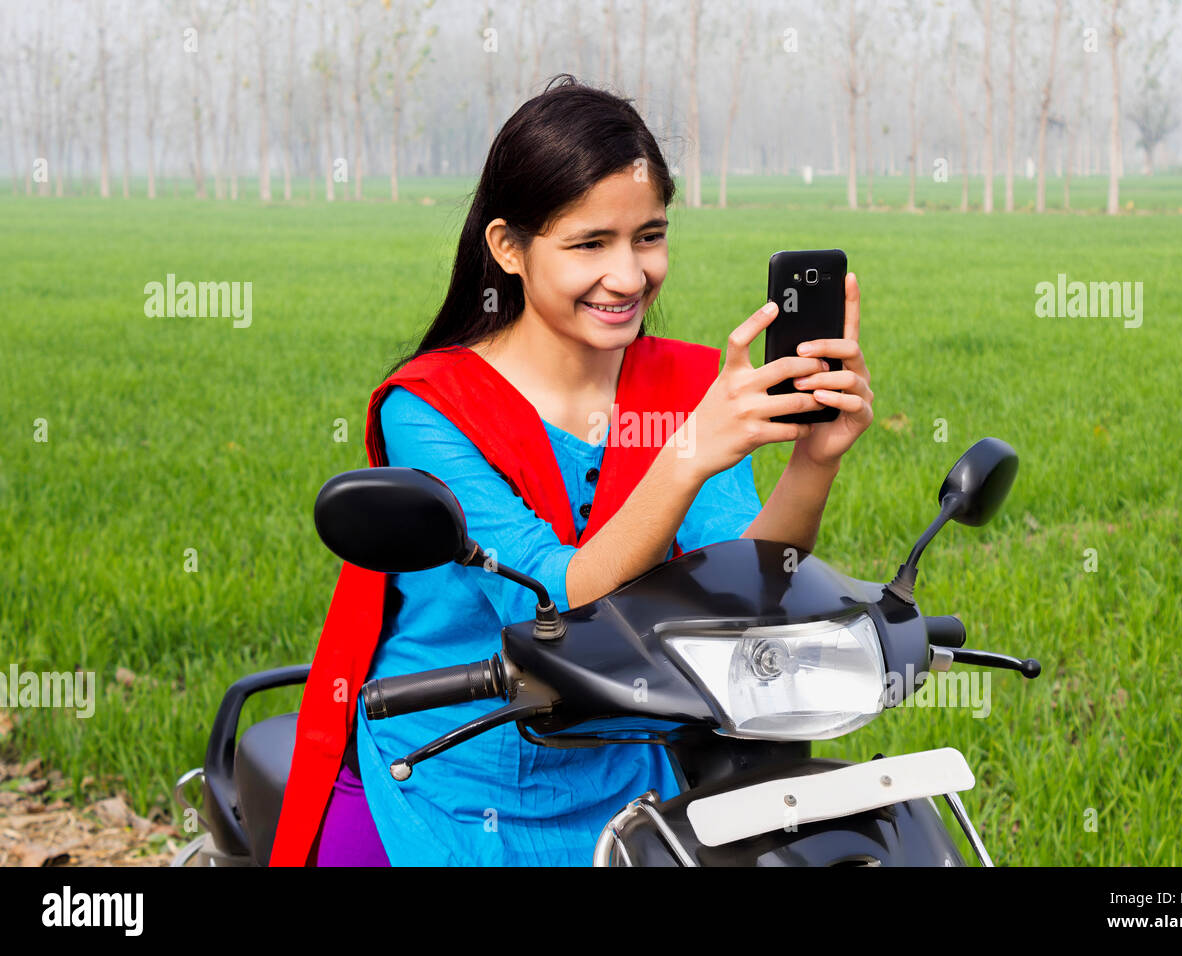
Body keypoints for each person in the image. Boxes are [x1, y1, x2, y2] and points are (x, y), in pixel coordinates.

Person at [271, 74, 874, 867]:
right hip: (450, 761)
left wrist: (813, 464)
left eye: (648, 236)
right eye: (590, 244)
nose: (628, 276)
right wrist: (690, 451)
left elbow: (750, 584)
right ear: (508, 248)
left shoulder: (690, 385)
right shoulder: (429, 407)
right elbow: (557, 598)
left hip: (624, 759)